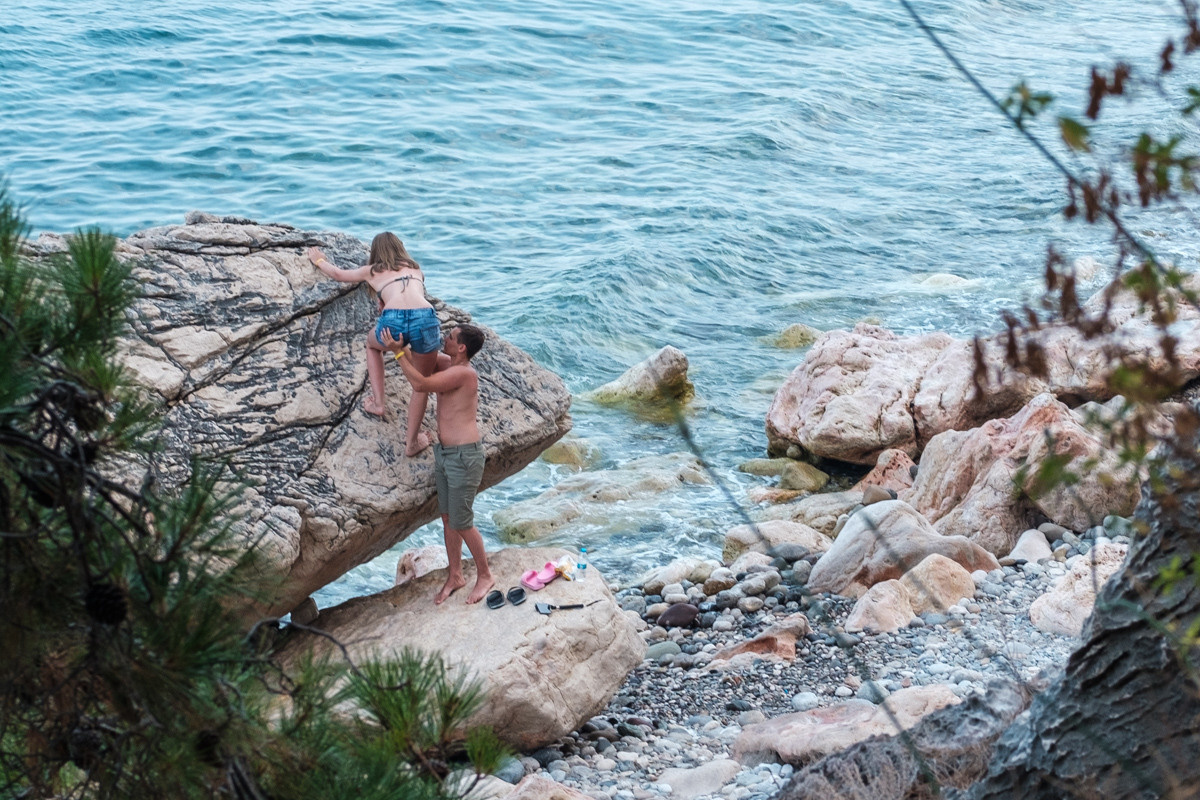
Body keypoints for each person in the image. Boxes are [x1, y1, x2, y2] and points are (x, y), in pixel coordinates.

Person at [382, 324, 494, 605]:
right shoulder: (449, 364)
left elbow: (421, 384)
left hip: (464, 457)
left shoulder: (464, 373)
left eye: (450, 337)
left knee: (462, 521)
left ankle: (485, 575)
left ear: (461, 348)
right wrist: (403, 339)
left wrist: (398, 355)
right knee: (447, 519)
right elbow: (424, 358)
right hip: (445, 454)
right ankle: (455, 575)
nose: (445, 337)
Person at [307, 233, 440, 456]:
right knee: (421, 384)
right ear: (400, 248)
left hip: (393, 320)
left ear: (375, 252)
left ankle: (378, 403)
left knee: (372, 345)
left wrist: (318, 260)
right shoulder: (416, 269)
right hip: (424, 317)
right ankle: (412, 444)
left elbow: (339, 274)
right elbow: (411, 296)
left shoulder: (373, 270)